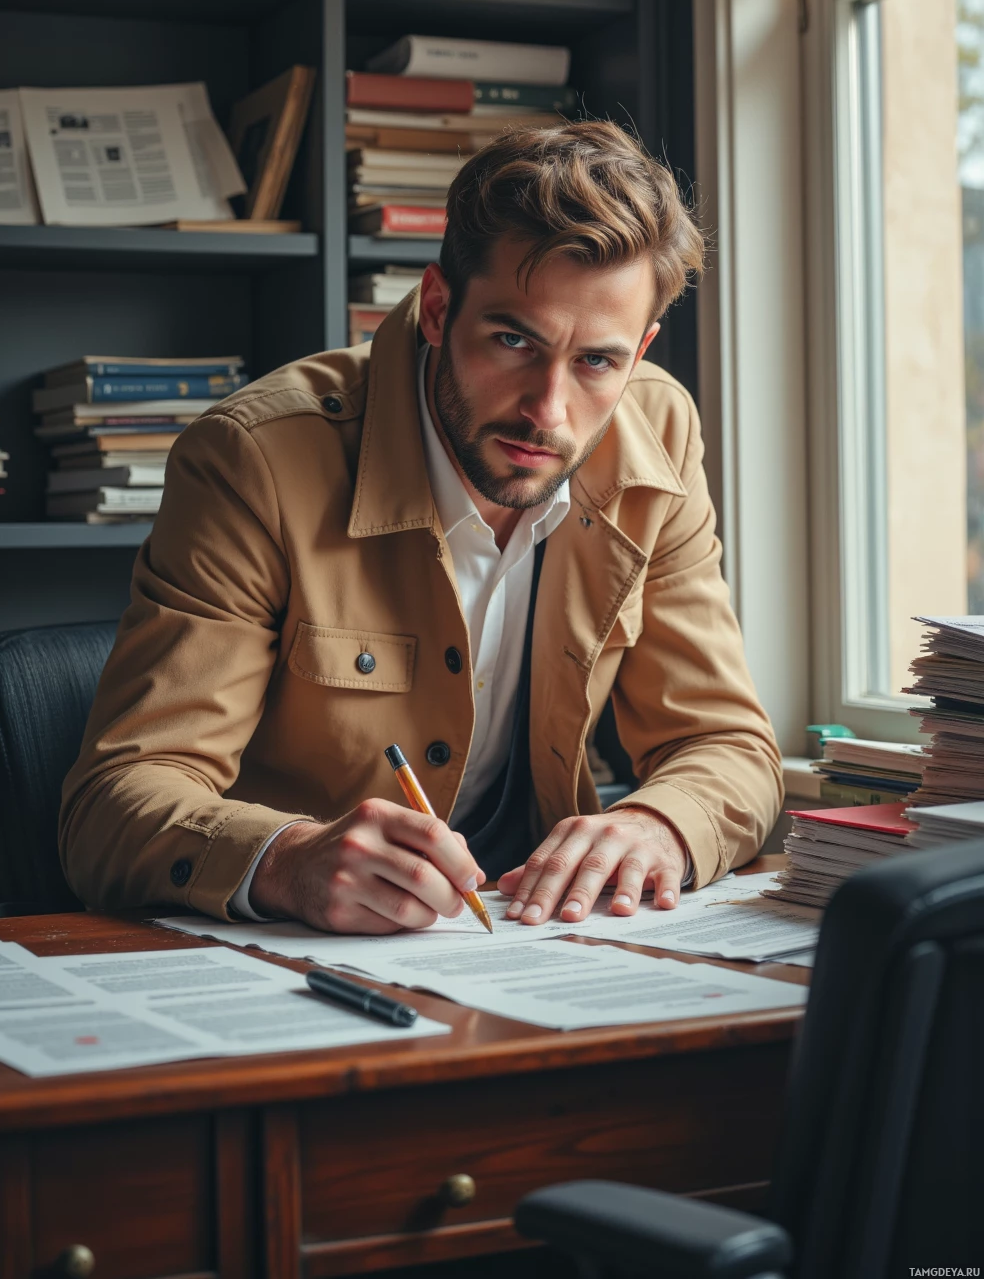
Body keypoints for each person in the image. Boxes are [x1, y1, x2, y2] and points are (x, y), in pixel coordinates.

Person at [59, 121, 782, 933]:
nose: (547, 410)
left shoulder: (660, 432)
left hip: (538, 944)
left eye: (597, 362)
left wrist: (661, 825)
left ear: (640, 349)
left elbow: (730, 747)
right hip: (297, 956)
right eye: (513, 339)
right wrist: (288, 859)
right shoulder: (253, 458)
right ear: (438, 308)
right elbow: (112, 805)